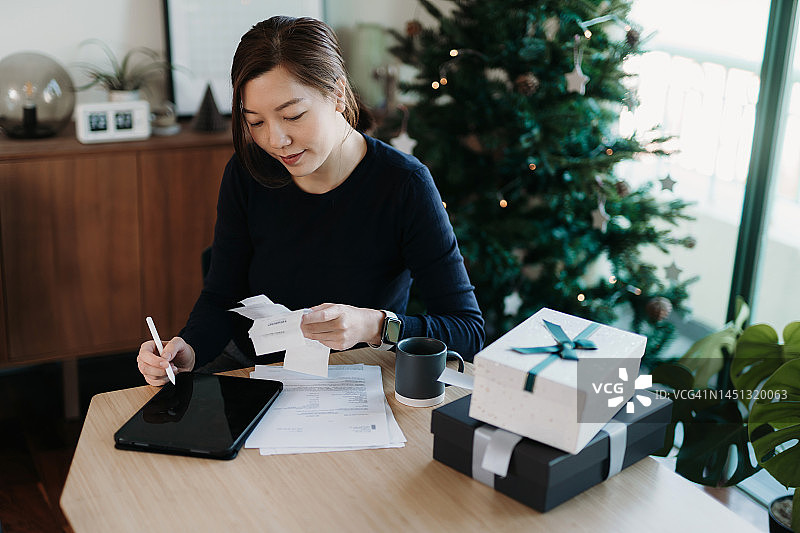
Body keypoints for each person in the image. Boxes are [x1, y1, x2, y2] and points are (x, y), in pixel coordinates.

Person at [137, 15, 484, 387]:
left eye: (293, 116)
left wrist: (375, 324)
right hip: (254, 370)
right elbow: (221, 295)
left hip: (357, 376)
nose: (276, 140)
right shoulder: (247, 171)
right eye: (255, 122)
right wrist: (189, 348)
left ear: (337, 93)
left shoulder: (403, 184)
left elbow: (466, 329)